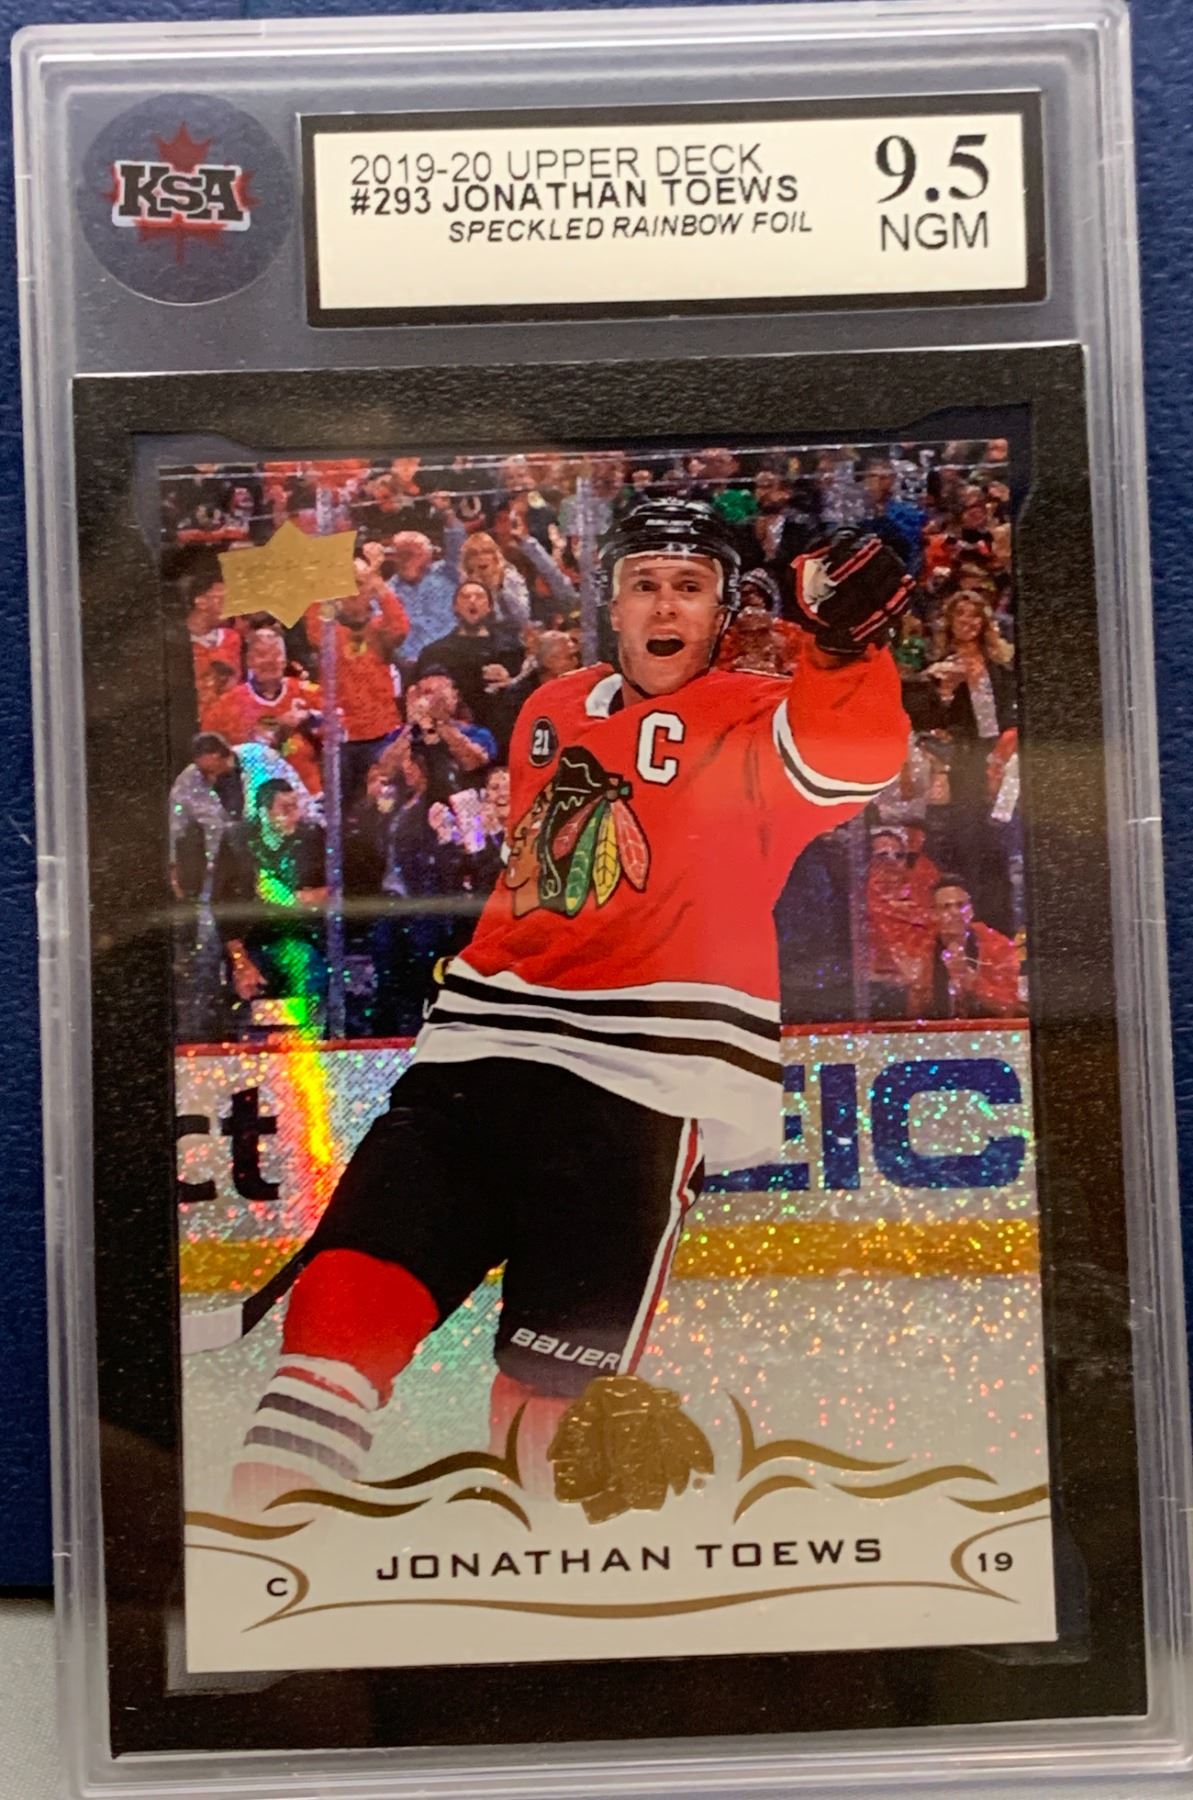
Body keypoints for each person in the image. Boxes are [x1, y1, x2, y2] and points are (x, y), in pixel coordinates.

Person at [231, 499, 912, 1511]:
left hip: (636, 1083)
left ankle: (538, 1564)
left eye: (689, 587)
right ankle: (265, 1551)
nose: (664, 604)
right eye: (645, 584)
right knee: (338, 1311)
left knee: (552, 1396)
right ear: (611, 602)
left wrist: (843, 649)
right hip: (473, 1058)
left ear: (725, 609)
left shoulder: (761, 715)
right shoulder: (549, 709)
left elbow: (849, 759)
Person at [914, 589, 1017, 931]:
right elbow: (931, 721)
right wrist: (944, 692)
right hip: (963, 763)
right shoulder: (940, 666)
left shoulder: (998, 663)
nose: (968, 622)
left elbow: (1009, 713)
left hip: (1001, 756)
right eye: (961, 615)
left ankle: (1004, 926)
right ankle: (973, 922)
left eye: (974, 616)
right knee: (970, 840)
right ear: (950, 622)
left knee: (1000, 842)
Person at [211, 778, 328, 1033]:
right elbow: (221, 907)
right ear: (263, 813)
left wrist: (292, 899)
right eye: (285, 809)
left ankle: (307, 1039)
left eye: (296, 806)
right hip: (250, 942)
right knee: (245, 992)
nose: (294, 816)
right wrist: (241, 962)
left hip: (300, 938)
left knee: (303, 967)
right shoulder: (237, 842)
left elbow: (337, 890)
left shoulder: (312, 837)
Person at [305, 560, 409, 807]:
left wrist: (379, 587)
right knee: (340, 808)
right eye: (345, 584)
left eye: (359, 584)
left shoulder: (379, 629)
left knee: (385, 804)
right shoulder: (327, 631)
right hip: (342, 738)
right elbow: (314, 622)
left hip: (384, 734)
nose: (352, 591)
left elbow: (399, 628)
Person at [204, 627, 323, 794]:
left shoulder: (308, 692)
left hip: (309, 794)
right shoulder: (226, 706)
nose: (270, 661)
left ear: (285, 660)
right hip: (255, 797)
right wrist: (279, 727)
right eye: (262, 654)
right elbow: (210, 757)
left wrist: (310, 718)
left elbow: (340, 727)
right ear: (249, 660)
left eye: (276, 654)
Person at [907, 875, 1021, 1019]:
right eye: (946, 907)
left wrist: (970, 981)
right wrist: (918, 990)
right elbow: (912, 1015)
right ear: (934, 914)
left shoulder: (997, 946)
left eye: (960, 905)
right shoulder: (922, 947)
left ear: (971, 911)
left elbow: (1009, 1007)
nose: (955, 912)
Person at [413, 579, 523, 727]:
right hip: (451, 729)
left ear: (489, 607)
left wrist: (509, 683)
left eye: (479, 596)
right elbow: (418, 695)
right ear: (455, 607)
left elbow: (525, 694)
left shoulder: (511, 651)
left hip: (500, 726)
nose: (472, 601)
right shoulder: (435, 653)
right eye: (465, 597)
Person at [381, 671, 496, 805]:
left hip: (461, 805)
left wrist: (439, 724)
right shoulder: (402, 735)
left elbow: (472, 762)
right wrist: (411, 724)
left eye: (438, 694)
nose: (429, 701)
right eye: (424, 693)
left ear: (454, 697)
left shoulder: (476, 733)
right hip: (411, 808)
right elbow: (385, 769)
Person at [387, 512, 465, 659]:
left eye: (410, 554)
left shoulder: (447, 573)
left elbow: (457, 544)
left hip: (450, 655)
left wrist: (447, 513)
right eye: (399, 554)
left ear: (428, 556)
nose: (404, 560)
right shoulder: (387, 591)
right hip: (405, 662)